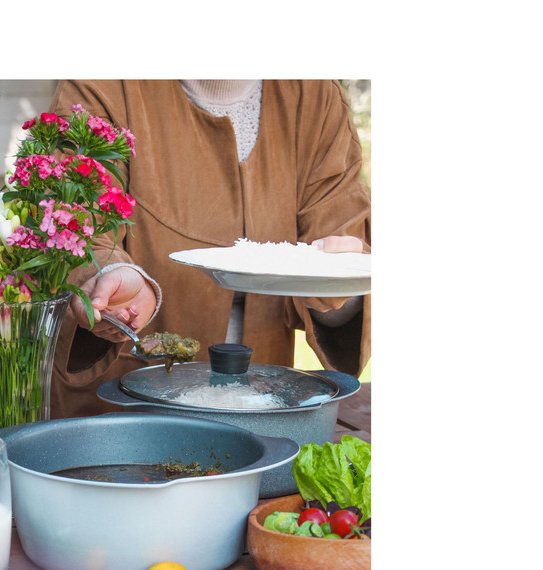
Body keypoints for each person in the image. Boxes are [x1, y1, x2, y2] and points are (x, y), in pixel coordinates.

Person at [47, 79, 371, 419]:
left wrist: (342, 284)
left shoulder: (316, 95)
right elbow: (76, 225)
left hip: (264, 412)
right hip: (122, 415)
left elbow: (341, 235)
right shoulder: (102, 85)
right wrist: (110, 274)